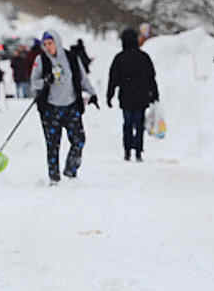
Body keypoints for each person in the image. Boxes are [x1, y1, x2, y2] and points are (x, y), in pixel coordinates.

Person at [30, 29, 99, 184]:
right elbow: (33, 83)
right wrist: (45, 81)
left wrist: (92, 93)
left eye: (50, 43)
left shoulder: (71, 58)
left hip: (71, 107)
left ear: (57, 42)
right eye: (45, 44)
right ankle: (54, 178)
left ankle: (70, 171)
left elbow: (82, 78)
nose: (48, 47)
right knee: (53, 145)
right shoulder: (41, 60)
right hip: (50, 109)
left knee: (79, 140)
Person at [107, 27, 159, 162]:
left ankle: (127, 150)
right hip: (142, 97)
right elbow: (151, 78)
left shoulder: (119, 58)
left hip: (126, 98)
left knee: (127, 124)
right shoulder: (144, 57)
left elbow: (113, 79)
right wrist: (155, 95)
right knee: (139, 124)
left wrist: (110, 95)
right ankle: (138, 152)